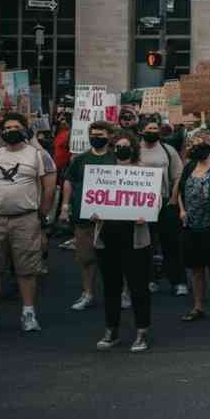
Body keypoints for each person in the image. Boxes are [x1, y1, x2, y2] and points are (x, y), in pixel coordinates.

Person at [0, 113, 56, 334]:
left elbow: (49, 188)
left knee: (27, 269)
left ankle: (28, 314)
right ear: (1, 132)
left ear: (25, 130)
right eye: (7, 128)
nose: (11, 131)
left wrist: (42, 217)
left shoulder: (38, 155)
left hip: (26, 218)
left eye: (16, 127)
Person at [91, 130, 153, 352]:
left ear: (133, 148)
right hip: (108, 236)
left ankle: (142, 331)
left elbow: (154, 201)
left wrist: (146, 213)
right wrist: (93, 211)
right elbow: (93, 199)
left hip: (135, 237)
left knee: (138, 286)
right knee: (111, 286)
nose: (121, 149)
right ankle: (112, 330)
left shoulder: (144, 172)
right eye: (117, 146)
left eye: (126, 146)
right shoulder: (102, 173)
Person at [60, 121, 118, 311]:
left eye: (100, 135)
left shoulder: (116, 157)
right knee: (86, 258)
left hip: (111, 218)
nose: (96, 138)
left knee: (114, 258)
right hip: (83, 216)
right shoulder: (80, 159)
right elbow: (69, 181)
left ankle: (120, 293)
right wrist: (65, 205)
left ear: (110, 136)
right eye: (92, 134)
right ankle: (88, 294)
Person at [177, 130, 210, 324]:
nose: (196, 147)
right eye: (194, 143)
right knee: (196, 269)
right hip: (190, 226)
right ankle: (198, 306)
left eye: (201, 144)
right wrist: (182, 210)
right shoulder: (189, 167)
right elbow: (180, 190)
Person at [137, 117, 186, 297]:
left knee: (171, 243)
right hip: (142, 204)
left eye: (155, 129)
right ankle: (150, 279)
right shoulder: (135, 150)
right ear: (141, 131)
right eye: (149, 129)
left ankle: (178, 281)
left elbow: (178, 176)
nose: (153, 132)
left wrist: (173, 198)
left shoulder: (168, 150)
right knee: (146, 244)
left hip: (165, 202)